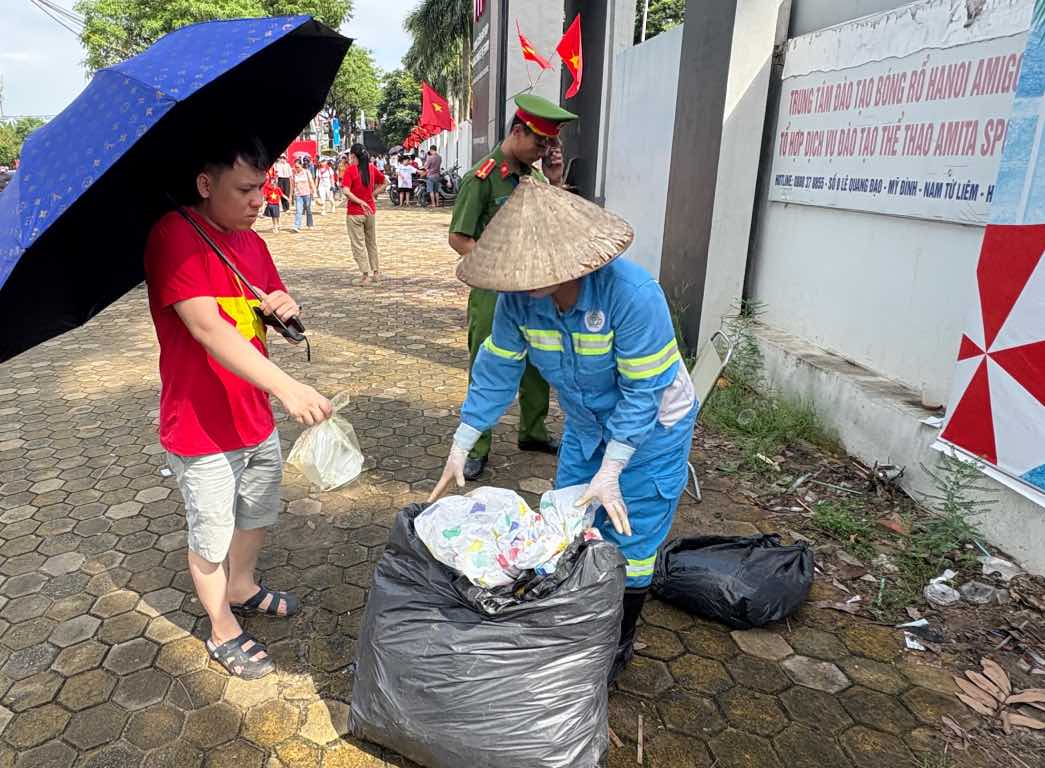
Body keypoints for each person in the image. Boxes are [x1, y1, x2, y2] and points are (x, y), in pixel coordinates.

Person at [431, 175, 696, 682]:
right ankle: (575, 612)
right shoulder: (518, 302)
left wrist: (614, 467)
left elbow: (642, 394)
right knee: (567, 522)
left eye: (537, 270)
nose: (526, 282)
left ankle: (619, 641)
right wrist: (462, 443)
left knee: (630, 536)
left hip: (653, 429)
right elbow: (497, 368)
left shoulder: (633, 295)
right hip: (586, 422)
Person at [144, 135, 333, 679]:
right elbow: (207, 328)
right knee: (210, 532)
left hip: (251, 415)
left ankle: (244, 584)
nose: (259, 201)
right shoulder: (174, 237)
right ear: (206, 184)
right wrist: (288, 388)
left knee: (256, 511)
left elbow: (269, 299)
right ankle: (222, 627)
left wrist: (283, 307)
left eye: (262, 187)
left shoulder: (249, 241)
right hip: (200, 425)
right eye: (245, 189)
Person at [447, 93, 576, 480]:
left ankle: (533, 432)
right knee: (489, 364)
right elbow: (459, 238)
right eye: (539, 142)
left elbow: (552, 220)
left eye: (549, 145)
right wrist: (499, 269)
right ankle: (478, 446)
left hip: (536, 289)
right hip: (495, 291)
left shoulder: (535, 178)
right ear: (518, 131)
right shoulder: (483, 178)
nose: (543, 151)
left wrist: (554, 180)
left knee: (540, 361)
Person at [342, 143, 387, 284]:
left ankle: (365, 275)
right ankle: (376, 272)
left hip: (355, 212)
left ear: (353, 155)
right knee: (371, 243)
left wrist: (359, 201)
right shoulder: (372, 169)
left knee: (358, 244)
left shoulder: (350, 170)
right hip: (370, 211)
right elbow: (385, 182)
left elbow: (346, 191)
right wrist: (372, 195)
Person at [290, 157, 316, 232]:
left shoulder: (307, 172)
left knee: (308, 210)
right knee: (298, 210)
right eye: (295, 167)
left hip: (307, 194)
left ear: (301, 165)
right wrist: (291, 196)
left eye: (297, 167)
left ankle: (310, 224)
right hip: (298, 195)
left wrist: (314, 193)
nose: (296, 168)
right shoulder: (294, 174)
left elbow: (311, 182)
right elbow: (292, 185)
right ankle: (297, 226)